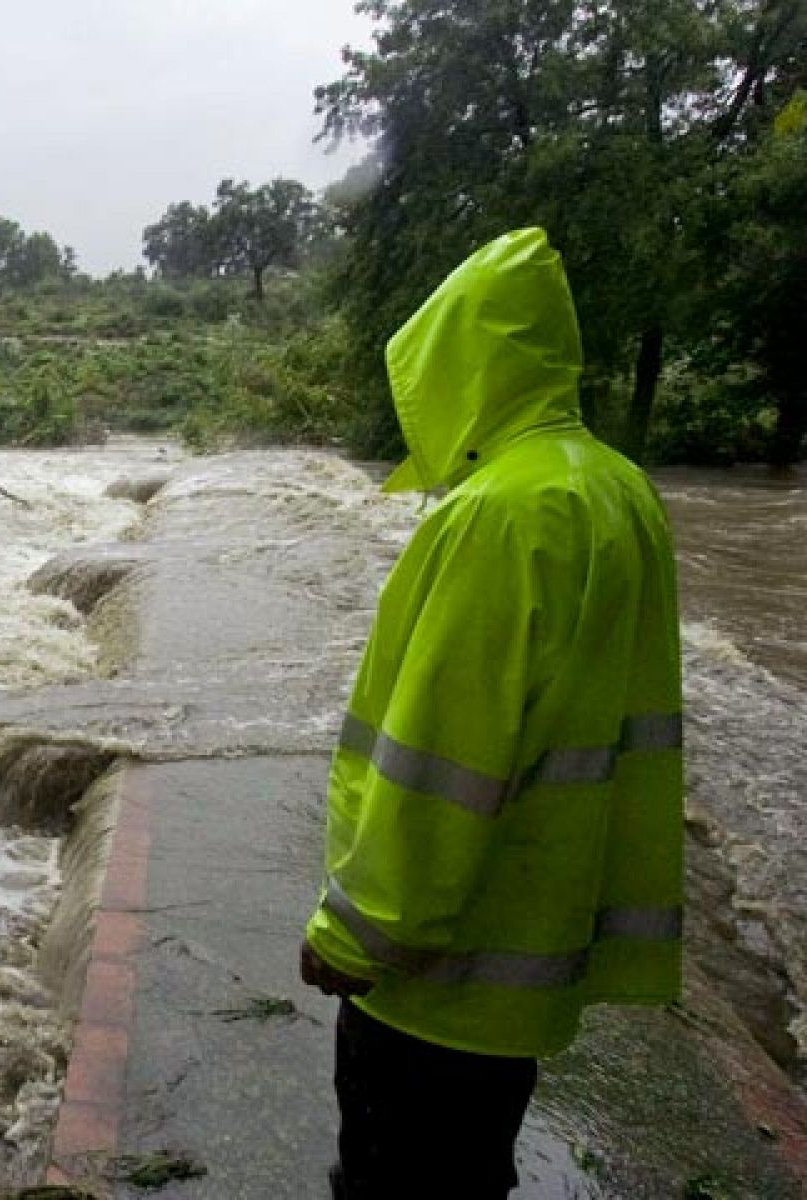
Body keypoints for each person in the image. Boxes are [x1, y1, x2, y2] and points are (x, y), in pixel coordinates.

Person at [299, 227, 684, 1199]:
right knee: (468, 1171)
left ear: (461, 363)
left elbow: (442, 754)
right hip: (533, 938)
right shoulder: (613, 487)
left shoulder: (495, 514)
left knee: (395, 1178)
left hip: (438, 970)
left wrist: (356, 932)